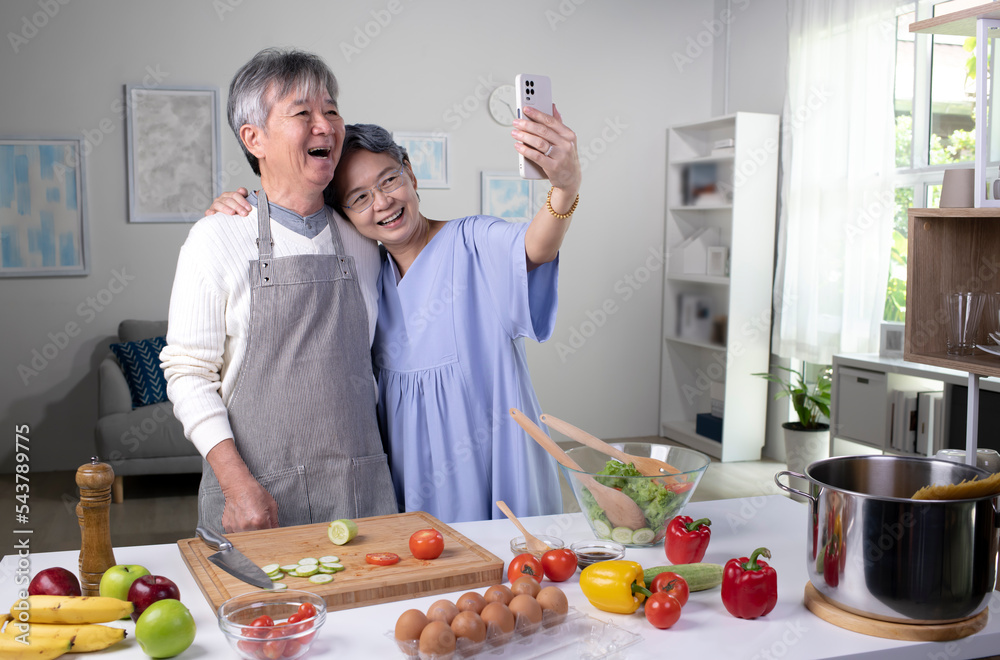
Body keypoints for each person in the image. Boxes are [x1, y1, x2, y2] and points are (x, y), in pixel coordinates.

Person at [210, 108, 580, 522]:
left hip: (494, 454)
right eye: (360, 197)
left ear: (411, 175)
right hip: (410, 471)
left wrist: (564, 188)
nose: (382, 202)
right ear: (344, 215)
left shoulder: (473, 241)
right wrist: (246, 211)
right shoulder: (368, 274)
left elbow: (535, 247)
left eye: (389, 180)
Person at [161, 48, 397, 533]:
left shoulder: (363, 237)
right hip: (256, 500)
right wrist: (237, 487)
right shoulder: (217, 237)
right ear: (254, 138)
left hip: (364, 494)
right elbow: (187, 374)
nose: (325, 125)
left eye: (331, 110)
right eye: (302, 112)